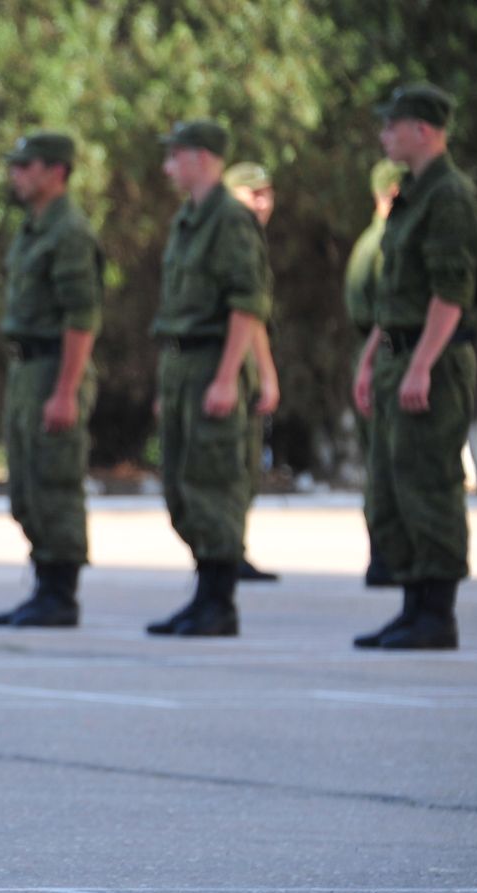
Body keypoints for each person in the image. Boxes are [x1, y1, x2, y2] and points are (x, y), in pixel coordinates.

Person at [352, 83, 477, 651]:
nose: (385, 135)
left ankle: (438, 613)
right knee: (391, 485)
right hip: (399, 354)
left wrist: (422, 366)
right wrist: (370, 362)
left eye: (394, 125)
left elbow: (450, 294)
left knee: (428, 483)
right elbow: (396, 295)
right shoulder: (412, 193)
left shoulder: (450, 196)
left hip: (431, 357)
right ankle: (413, 605)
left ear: (424, 131)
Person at [145, 120, 271, 638]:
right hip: (182, 365)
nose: (168, 167)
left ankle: (218, 603)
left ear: (201, 158)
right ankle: (204, 593)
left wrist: (226, 378)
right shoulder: (188, 219)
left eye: (174, 156)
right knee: (181, 484)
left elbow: (247, 304)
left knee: (213, 483)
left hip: (213, 362)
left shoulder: (230, 219)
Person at [0, 132, 102, 629]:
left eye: (26, 165)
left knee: (54, 480)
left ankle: (61, 593)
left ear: (56, 171)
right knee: (29, 484)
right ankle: (43, 584)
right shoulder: (33, 229)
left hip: (55, 367)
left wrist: (65, 390)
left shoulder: (69, 232)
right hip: (27, 367)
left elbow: (82, 317)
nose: (17, 174)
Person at [344, 158, 405, 589]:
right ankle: (388, 557)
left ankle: (384, 556)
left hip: (370, 352)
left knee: (381, 462)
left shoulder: (370, 240)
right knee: (390, 463)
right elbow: (389, 311)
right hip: (381, 353)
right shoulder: (386, 243)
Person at [223, 161, 283, 583]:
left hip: (237, 370)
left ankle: (232, 548)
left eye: (267, 193)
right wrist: (267, 374)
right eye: (251, 193)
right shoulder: (236, 238)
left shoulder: (246, 239)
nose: (261, 202)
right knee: (230, 462)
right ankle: (224, 551)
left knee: (242, 463)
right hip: (232, 368)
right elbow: (249, 317)